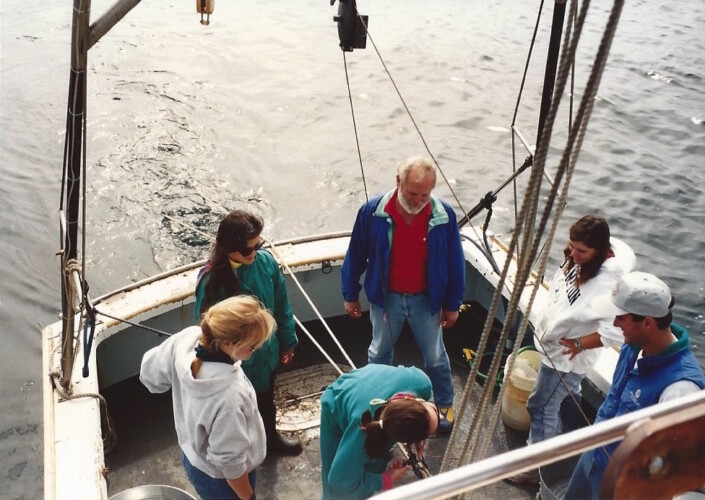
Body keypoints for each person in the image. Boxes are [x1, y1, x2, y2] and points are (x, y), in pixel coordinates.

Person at [341, 156, 465, 432]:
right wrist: (350, 294)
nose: (419, 200)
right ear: (398, 182)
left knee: (435, 356)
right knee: (379, 353)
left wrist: (452, 303)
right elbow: (356, 255)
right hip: (387, 300)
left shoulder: (443, 215)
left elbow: (455, 261)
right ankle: (379, 405)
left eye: (425, 194)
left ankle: (444, 403)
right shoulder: (372, 212)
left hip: (426, 300)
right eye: (412, 193)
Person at [510, 215, 636, 484]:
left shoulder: (608, 283)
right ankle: (569, 440)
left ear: (599, 251)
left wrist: (578, 345)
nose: (574, 254)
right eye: (572, 247)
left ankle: (538, 468)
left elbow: (613, 331)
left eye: (582, 251)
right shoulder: (579, 260)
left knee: (541, 406)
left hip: (565, 359)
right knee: (567, 399)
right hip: (553, 349)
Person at [564, 271, 705, 499]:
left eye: (621, 317)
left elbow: (677, 467)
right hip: (592, 457)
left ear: (648, 323)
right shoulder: (633, 342)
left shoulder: (680, 389)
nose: (615, 323)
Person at [140, 295, 275, 500]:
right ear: (228, 343)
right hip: (223, 482)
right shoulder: (230, 397)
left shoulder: (188, 337)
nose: (256, 350)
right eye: (253, 346)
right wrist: (249, 497)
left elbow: (150, 375)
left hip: (192, 457)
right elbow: (231, 464)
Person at [194, 209, 302, 455]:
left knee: (265, 400)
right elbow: (204, 329)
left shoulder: (266, 263)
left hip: (267, 354)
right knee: (236, 407)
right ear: (229, 247)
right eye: (246, 250)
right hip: (233, 362)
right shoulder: (211, 281)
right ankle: (239, 448)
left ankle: (269, 441)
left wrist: (288, 342)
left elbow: (282, 305)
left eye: (257, 246)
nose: (254, 253)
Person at [320, 364, 441, 499]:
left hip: (365, 386)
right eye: (435, 410)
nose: (441, 416)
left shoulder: (421, 384)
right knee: (339, 491)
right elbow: (339, 482)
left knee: (373, 463)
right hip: (337, 403)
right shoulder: (363, 431)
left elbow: (417, 417)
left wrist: (418, 434)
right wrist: (386, 479)